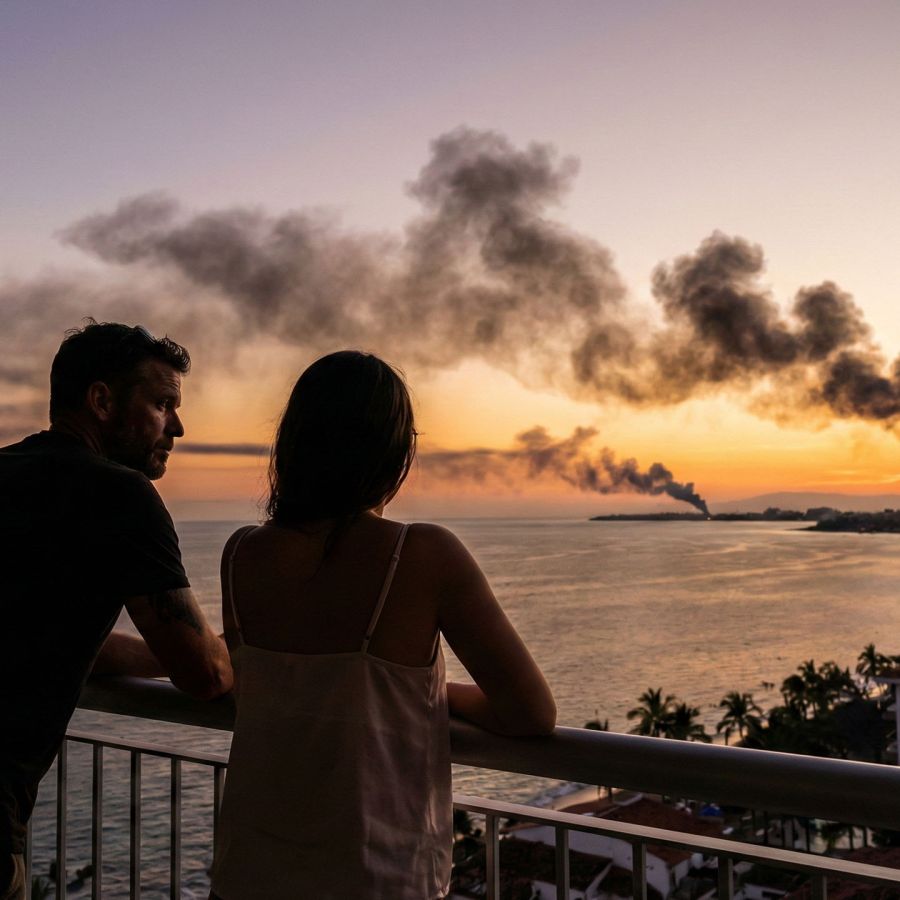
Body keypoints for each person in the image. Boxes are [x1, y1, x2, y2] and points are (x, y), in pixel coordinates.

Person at [209, 350, 555, 900]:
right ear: (394, 452)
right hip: (376, 878)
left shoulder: (241, 555)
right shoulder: (423, 553)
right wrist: (433, 696)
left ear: (295, 441)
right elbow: (531, 713)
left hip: (248, 872)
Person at [0, 321, 233, 900]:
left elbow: (51, 630)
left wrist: (154, 657)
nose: (176, 426)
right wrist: (237, 653)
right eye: (162, 404)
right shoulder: (118, 495)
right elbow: (203, 675)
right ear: (101, 400)